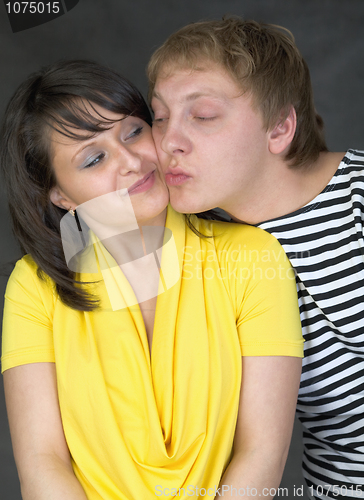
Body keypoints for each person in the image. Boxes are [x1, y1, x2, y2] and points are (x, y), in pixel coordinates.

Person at [0, 60, 303, 500]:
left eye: (134, 132)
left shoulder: (252, 256)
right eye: (94, 158)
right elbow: (43, 465)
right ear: (61, 195)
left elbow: (260, 453)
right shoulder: (34, 287)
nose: (131, 161)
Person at [147, 17, 364, 500]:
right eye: (159, 116)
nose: (168, 141)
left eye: (201, 114)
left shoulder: (358, 195)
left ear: (280, 128)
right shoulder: (198, 245)